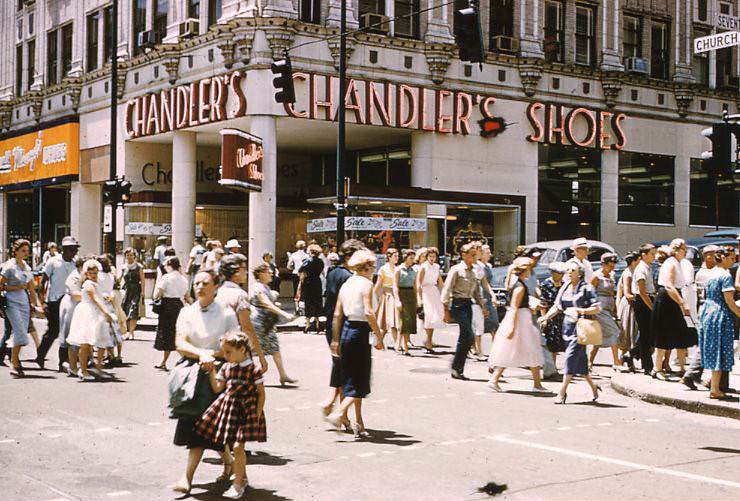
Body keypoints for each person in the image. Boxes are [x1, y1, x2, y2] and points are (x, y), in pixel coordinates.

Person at [171, 270, 240, 494]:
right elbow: (180, 343)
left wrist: (213, 356)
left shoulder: (227, 313)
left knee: (209, 426)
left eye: (205, 283)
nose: (199, 286)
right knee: (202, 425)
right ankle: (227, 462)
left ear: (216, 287)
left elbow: (232, 347)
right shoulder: (186, 312)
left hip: (218, 373)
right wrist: (201, 354)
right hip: (191, 374)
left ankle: (187, 477)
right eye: (197, 283)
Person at [195, 331, 266, 499]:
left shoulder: (253, 370)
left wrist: (256, 414)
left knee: (237, 447)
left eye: (228, 352)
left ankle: (237, 484)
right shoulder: (227, 367)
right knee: (233, 444)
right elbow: (218, 388)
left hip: (246, 411)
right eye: (224, 352)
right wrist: (211, 371)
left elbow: (261, 394)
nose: (225, 356)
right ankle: (243, 477)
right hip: (228, 409)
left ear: (242, 350)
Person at [326, 250, 384, 438]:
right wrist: (379, 335)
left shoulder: (347, 284)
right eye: (373, 266)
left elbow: (337, 314)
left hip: (346, 331)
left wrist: (335, 339)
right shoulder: (366, 284)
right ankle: (340, 412)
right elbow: (368, 312)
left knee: (349, 377)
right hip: (360, 331)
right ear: (366, 267)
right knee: (359, 380)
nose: (374, 270)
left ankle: (358, 422)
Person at [539, 261, 602, 404]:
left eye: (572, 270)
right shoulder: (565, 287)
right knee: (579, 361)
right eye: (568, 269)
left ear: (579, 273)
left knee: (570, 356)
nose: (568, 272)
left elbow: (597, 307)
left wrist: (582, 310)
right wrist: (546, 317)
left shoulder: (587, 288)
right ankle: (594, 387)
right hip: (567, 326)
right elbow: (557, 306)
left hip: (580, 327)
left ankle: (562, 392)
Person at [320, 239, 365, 419]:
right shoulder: (349, 278)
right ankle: (340, 411)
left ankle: (333, 404)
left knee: (339, 366)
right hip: (345, 325)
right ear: (349, 257)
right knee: (348, 371)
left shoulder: (333, 272)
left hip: (332, 325)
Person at [488, 257, 545, 392]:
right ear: (525, 270)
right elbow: (514, 307)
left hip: (522, 318)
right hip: (521, 319)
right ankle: (537, 385)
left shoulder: (518, 284)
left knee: (514, 349)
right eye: (529, 269)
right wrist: (512, 327)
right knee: (531, 348)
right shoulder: (520, 287)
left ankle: (495, 379)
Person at [698, 247, 740, 400]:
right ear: (723, 258)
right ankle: (715, 388)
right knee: (720, 350)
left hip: (708, 311)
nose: (734, 261)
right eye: (731, 258)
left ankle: (713, 385)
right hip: (720, 314)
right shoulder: (725, 275)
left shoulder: (711, 273)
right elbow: (729, 301)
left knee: (713, 348)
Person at [442, 243, 489, 381]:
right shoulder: (456, 270)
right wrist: (445, 309)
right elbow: (447, 289)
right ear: (464, 255)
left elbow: (476, 292)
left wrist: (483, 307)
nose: (475, 257)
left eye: (476, 255)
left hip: (468, 304)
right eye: (472, 255)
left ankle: (457, 369)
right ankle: (456, 367)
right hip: (457, 304)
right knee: (468, 335)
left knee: (466, 337)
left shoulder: (475, 271)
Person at [215, 254, 268, 374]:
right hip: (236, 351)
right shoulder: (240, 295)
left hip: (217, 349)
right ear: (236, 272)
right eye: (244, 269)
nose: (247, 273)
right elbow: (247, 328)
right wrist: (261, 356)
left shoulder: (218, 293)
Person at [0, 239, 44, 377]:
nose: (26, 253)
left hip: (24, 303)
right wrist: (17, 287)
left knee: (22, 333)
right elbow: (1, 286)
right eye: (23, 251)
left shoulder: (26, 266)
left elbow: (31, 288)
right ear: (16, 251)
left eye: (27, 251)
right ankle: (14, 363)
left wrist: (37, 305)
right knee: (19, 331)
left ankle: (15, 361)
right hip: (11, 302)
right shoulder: (9, 266)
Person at [66, 259, 115, 381]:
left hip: (92, 313)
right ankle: (82, 370)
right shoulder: (88, 284)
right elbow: (94, 300)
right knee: (84, 343)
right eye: (92, 273)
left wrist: (104, 296)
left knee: (89, 343)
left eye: (96, 273)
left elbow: (98, 296)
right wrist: (106, 313)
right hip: (86, 313)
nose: (94, 275)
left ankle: (85, 368)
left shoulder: (95, 284)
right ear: (86, 274)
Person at [651, 239, 693, 379]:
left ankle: (682, 368)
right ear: (676, 250)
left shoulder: (678, 263)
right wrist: (682, 303)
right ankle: (657, 369)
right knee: (663, 335)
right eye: (683, 249)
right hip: (666, 299)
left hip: (674, 298)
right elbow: (669, 285)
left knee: (681, 332)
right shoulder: (671, 263)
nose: (685, 251)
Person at [680, 244, 720, 389]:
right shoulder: (706, 273)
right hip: (709, 309)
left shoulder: (708, 272)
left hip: (706, 309)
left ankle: (717, 381)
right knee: (707, 344)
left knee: (708, 344)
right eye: (715, 254)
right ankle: (692, 374)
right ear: (707, 256)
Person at [37, 236, 78, 370]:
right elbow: (43, 282)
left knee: (67, 331)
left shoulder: (74, 264)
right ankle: (40, 355)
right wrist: (42, 302)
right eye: (72, 249)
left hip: (69, 300)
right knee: (53, 331)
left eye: (75, 249)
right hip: (54, 300)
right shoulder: (53, 262)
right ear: (64, 249)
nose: (74, 252)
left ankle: (63, 362)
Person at [250, 264, 297, 385]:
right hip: (259, 323)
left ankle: (283, 375)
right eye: (267, 272)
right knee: (253, 350)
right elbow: (266, 304)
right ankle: (247, 376)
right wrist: (284, 314)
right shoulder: (258, 287)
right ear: (260, 274)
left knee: (274, 348)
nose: (271, 273)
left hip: (266, 322)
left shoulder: (265, 287)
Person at [153, 256, 190, 371]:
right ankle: (166, 361)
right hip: (178, 306)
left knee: (166, 334)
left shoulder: (166, 277)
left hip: (167, 306)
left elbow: (157, 294)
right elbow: (187, 296)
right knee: (177, 332)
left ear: (169, 265)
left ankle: (183, 359)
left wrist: (156, 298)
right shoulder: (184, 279)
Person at [588, 253, 622, 372]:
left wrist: (615, 308)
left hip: (609, 305)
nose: (612, 267)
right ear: (603, 264)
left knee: (599, 336)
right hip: (600, 307)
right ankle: (616, 362)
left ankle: (589, 362)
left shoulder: (612, 275)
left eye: (613, 265)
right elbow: (590, 293)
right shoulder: (596, 276)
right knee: (615, 331)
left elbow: (612, 292)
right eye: (609, 265)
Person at [627, 244, 656, 375]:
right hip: (642, 301)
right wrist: (652, 307)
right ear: (644, 255)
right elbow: (642, 292)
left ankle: (630, 354)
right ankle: (647, 366)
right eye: (652, 254)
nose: (654, 257)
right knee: (645, 334)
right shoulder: (641, 269)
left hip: (648, 299)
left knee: (649, 334)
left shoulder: (648, 268)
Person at [97, 255, 125, 366]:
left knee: (104, 331)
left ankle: (109, 355)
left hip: (101, 303)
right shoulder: (110, 276)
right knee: (114, 330)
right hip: (110, 303)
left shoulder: (98, 276)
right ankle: (116, 355)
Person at [416, 247, 445, 353]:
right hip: (425, 291)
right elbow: (418, 282)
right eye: (430, 256)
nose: (432, 258)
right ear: (427, 257)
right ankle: (428, 342)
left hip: (434, 292)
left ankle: (429, 340)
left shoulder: (437, 267)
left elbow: (440, 281)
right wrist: (419, 297)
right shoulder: (423, 267)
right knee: (428, 316)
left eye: (434, 256)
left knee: (434, 317)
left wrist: (445, 293)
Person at [539, 262, 567, 364]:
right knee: (551, 342)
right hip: (550, 315)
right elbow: (543, 302)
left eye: (562, 273)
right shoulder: (546, 285)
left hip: (561, 315)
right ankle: (551, 366)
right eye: (559, 273)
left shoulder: (564, 285)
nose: (561, 276)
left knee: (560, 342)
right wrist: (544, 318)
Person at [374, 248, 401, 351]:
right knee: (388, 321)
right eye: (395, 256)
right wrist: (372, 297)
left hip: (396, 295)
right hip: (387, 296)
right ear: (389, 257)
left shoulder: (397, 268)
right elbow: (378, 284)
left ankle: (391, 343)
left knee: (393, 321)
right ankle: (395, 343)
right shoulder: (383, 269)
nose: (397, 258)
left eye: (397, 256)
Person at [616, 252, 638, 371]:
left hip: (632, 305)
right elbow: (628, 293)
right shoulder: (628, 273)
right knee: (627, 334)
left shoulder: (632, 272)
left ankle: (627, 361)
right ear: (634, 261)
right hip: (629, 306)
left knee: (631, 334)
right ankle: (622, 361)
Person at [395, 249, 418, 356]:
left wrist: (417, 298)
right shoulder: (399, 269)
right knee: (403, 320)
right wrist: (397, 299)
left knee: (410, 321)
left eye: (413, 258)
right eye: (411, 258)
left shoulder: (414, 270)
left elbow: (415, 285)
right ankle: (404, 346)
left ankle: (401, 344)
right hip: (402, 293)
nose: (412, 260)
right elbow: (395, 285)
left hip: (411, 295)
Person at [298, 243, 324, 333]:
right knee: (317, 302)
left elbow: (300, 270)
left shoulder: (307, 260)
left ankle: (308, 325)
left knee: (308, 302)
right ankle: (317, 324)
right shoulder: (321, 261)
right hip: (317, 282)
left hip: (308, 283)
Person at [121, 248, 144, 340]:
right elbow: (120, 278)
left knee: (133, 310)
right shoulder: (124, 267)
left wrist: (143, 292)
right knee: (125, 310)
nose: (130, 257)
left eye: (131, 255)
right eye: (128, 255)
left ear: (134, 256)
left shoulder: (139, 267)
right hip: (126, 290)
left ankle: (131, 332)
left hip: (136, 290)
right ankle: (126, 331)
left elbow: (142, 280)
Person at [287, 240, 309, 308]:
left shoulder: (294, 255)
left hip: (295, 273)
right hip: (304, 274)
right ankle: (303, 306)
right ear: (304, 246)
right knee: (304, 290)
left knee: (296, 289)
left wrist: (293, 268)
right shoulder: (307, 256)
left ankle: (297, 307)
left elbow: (288, 266)